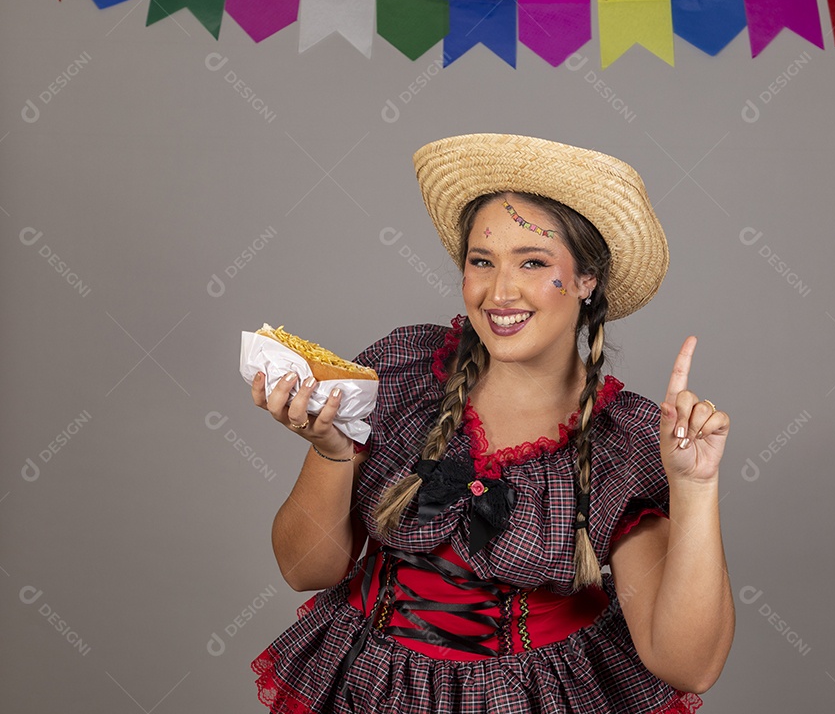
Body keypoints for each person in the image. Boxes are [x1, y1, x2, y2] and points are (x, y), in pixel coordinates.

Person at [249, 133, 734, 713]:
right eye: (482, 262)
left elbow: (689, 667)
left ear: (587, 280)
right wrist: (331, 452)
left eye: (533, 262)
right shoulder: (404, 375)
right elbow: (305, 570)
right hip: (367, 688)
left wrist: (696, 487)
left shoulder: (621, 444)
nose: (500, 292)